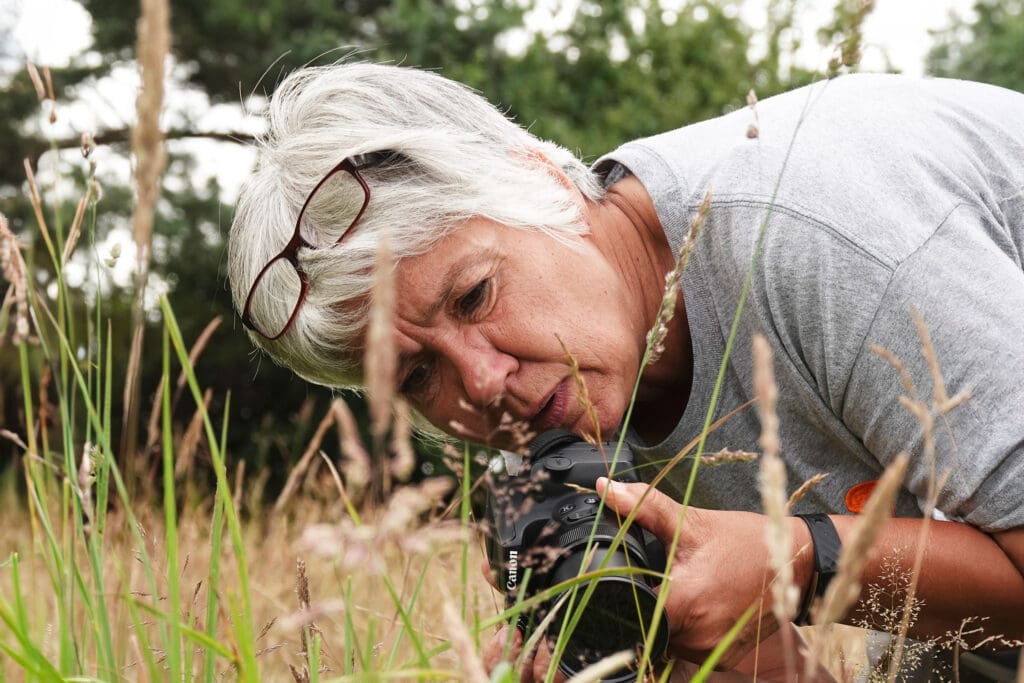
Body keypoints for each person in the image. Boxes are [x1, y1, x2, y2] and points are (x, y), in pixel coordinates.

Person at [227, 62, 1024, 680]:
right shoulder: (567, 428)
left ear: (540, 177)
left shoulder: (816, 240)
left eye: (474, 295)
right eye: (415, 375)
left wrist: (804, 562)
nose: (480, 382)